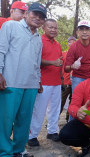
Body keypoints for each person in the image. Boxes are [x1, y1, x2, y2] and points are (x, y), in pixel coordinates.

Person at [0, 2, 46, 157]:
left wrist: (38, 80)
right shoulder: (11, 26)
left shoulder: (39, 37)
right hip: (11, 82)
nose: (38, 19)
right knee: (6, 121)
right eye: (35, 14)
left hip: (31, 85)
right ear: (26, 14)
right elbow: (1, 50)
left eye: (41, 17)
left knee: (24, 121)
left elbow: (36, 62)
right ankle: (4, 152)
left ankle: (19, 150)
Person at [28, 19, 63, 147]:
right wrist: (52, 62)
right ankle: (32, 136)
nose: (53, 30)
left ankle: (52, 131)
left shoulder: (57, 44)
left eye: (55, 27)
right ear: (43, 27)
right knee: (39, 110)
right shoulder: (39, 41)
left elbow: (59, 62)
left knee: (54, 109)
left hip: (56, 82)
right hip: (43, 81)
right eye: (50, 27)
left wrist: (61, 79)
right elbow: (35, 60)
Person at [64, 20, 90, 93]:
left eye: (87, 29)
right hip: (78, 78)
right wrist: (72, 66)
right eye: (81, 29)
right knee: (77, 100)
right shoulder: (73, 47)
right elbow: (66, 68)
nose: (84, 32)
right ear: (78, 33)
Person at [60, 36, 77, 121]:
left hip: (75, 82)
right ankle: (53, 121)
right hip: (65, 82)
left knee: (73, 102)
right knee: (60, 102)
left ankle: (68, 120)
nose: (72, 43)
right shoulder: (63, 54)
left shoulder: (78, 55)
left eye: (74, 41)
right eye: (70, 42)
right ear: (68, 44)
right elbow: (59, 67)